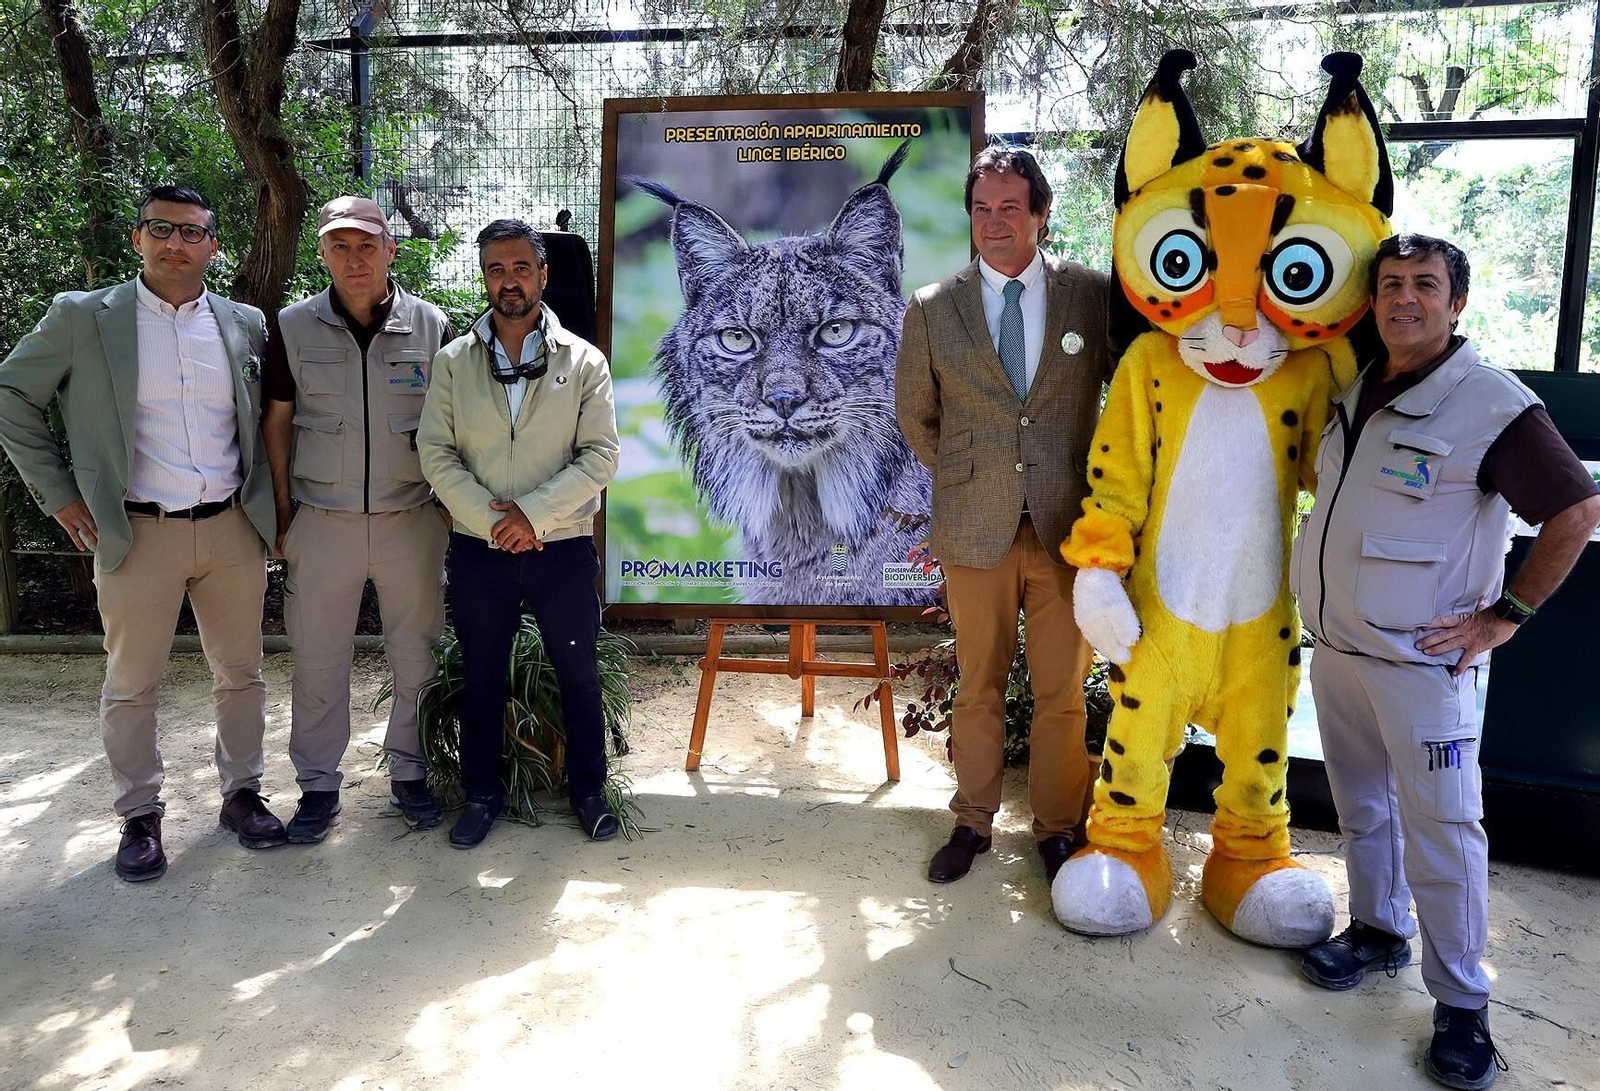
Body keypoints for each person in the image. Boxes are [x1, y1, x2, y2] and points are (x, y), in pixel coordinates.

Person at [1292, 233, 1600, 1090]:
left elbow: (1577, 510)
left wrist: (1507, 616)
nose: (1404, 299)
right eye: (1391, 284)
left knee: (1445, 831)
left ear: (1456, 301)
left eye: (1424, 285)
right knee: (1363, 808)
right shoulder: (1362, 389)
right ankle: (1380, 931)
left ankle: (1463, 1004)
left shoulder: (1492, 404)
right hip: (1343, 649)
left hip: (1424, 665)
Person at [0, 184, 287, 881]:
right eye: (160, 228)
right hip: (136, 533)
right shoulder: (83, 318)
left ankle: (242, 793)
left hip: (230, 530)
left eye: (192, 232)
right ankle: (139, 812)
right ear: (137, 238)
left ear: (213, 247)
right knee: (132, 682)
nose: (175, 243)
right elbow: (11, 392)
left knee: (241, 673)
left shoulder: (245, 322)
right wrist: (60, 494)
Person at [895, 146, 1113, 885]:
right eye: (982, 209)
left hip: (1068, 528)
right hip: (974, 528)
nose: (994, 222)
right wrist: (970, 476)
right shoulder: (932, 308)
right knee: (977, 686)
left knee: (1061, 695)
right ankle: (972, 823)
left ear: (1041, 216)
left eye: (1010, 208)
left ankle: (1057, 829)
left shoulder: (1089, 296)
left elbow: (1133, 386)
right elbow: (915, 416)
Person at [417, 218, 620, 848]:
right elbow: (435, 452)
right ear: (484, 277)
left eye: (521, 268)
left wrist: (531, 516)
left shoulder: (584, 362)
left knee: (578, 673)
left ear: (544, 274)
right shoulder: (454, 363)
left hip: (559, 548)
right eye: (496, 270)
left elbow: (601, 456)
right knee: (482, 673)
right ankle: (482, 794)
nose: (510, 282)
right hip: (481, 552)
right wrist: (492, 522)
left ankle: (589, 789)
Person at [260, 196, 454, 842]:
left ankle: (411, 773)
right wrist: (285, 513)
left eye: (366, 245)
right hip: (322, 519)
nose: (354, 259)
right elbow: (278, 424)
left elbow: (453, 428)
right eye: (339, 246)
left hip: (411, 517)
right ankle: (317, 787)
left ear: (391, 250)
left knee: (417, 654)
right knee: (317, 658)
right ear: (322, 254)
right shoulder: (290, 327)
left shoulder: (432, 327)